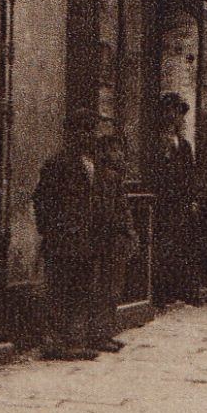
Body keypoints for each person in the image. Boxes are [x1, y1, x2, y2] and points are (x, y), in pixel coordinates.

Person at [32, 110, 103, 360]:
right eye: (82, 130)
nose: (88, 135)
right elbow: (41, 199)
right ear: (69, 133)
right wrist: (52, 231)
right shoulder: (57, 164)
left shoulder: (91, 164)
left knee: (81, 288)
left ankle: (75, 341)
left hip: (85, 239)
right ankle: (55, 342)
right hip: (63, 240)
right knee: (59, 290)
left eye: (91, 130)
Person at [86, 132, 137, 353]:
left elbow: (122, 208)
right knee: (104, 288)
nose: (121, 155)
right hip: (106, 240)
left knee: (113, 288)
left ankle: (105, 332)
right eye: (116, 150)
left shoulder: (113, 177)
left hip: (115, 240)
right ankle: (99, 333)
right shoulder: (102, 177)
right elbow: (106, 211)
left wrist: (129, 233)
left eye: (121, 150)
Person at [150, 92, 202, 307]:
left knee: (180, 247)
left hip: (180, 205)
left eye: (179, 113)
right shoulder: (154, 142)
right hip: (163, 203)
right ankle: (160, 294)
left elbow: (190, 175)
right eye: (172, 111)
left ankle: (178, 291)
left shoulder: (185, 145)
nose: (176, 117)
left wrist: (192, 199)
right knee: (163, 248)